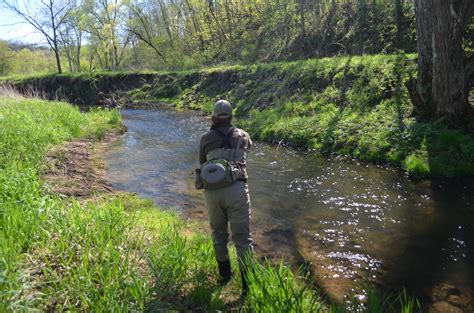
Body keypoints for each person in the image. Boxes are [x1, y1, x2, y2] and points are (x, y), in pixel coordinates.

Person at [196, 99, 254, 296]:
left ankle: (225, 276)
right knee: (243, 239)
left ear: (213, 116)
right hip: (237, 189)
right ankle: (247, 286)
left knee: (218, 235)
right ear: (231, 116)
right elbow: (249, 149)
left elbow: (202, 163)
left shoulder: (206, 138)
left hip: (213, 193)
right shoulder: (243, 136)